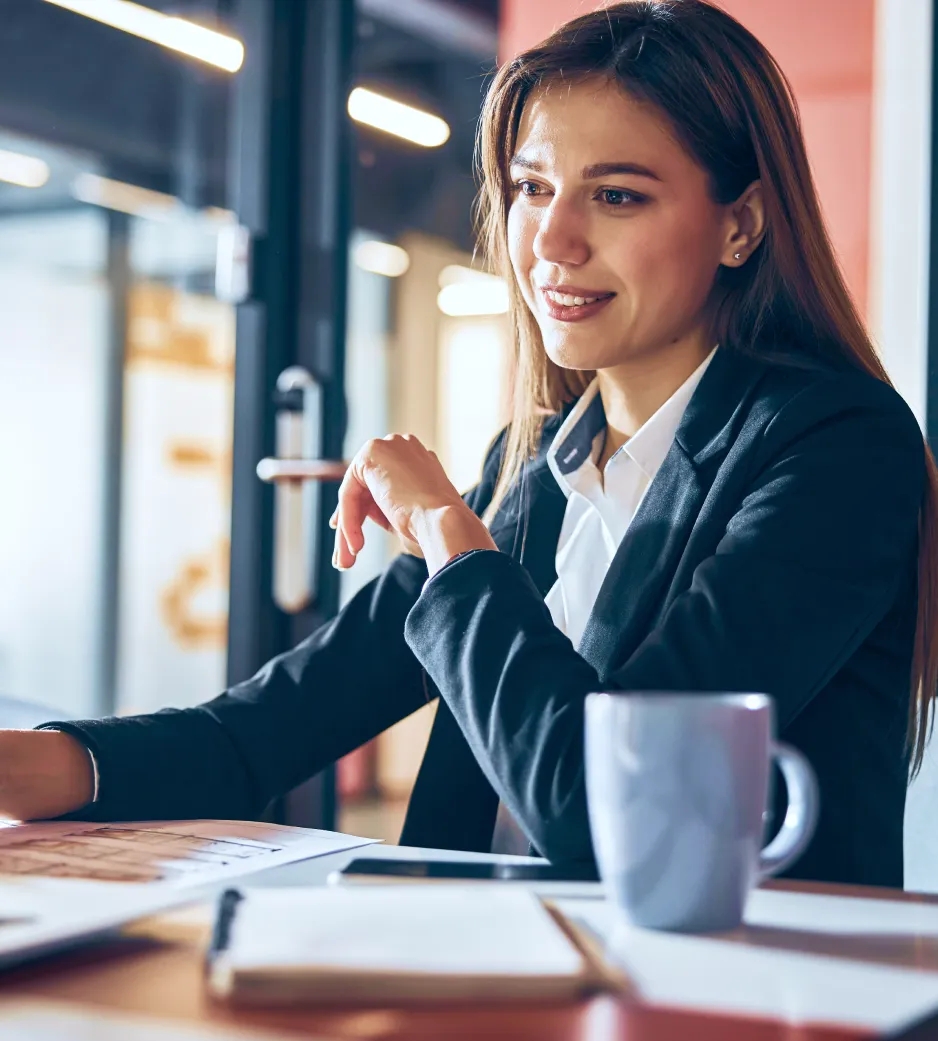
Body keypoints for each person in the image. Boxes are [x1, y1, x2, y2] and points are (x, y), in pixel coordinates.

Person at [5, 0, 935, 887]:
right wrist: (33, 765)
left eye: (616, 195)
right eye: (533, 189)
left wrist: (450, 534)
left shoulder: (836, 450)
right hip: (494, 973)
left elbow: (605, 807)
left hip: (722, 1005)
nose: (553, 242)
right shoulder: (534, 465)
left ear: (742, 223)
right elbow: (259, 734)